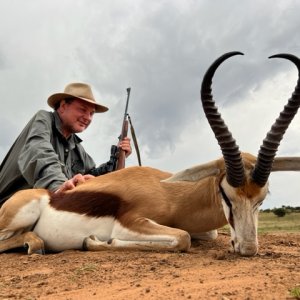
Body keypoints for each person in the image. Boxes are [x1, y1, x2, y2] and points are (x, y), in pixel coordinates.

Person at [0, 82, 132, 206]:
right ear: (63, 106)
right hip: (6, 206)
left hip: (40, 209)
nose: (88, 118)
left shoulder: (77, 147)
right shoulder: (43, 119)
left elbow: (92, 174)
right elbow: (40, 152)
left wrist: (116, 159)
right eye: (82, 110)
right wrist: (58, 187)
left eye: (92, 113)